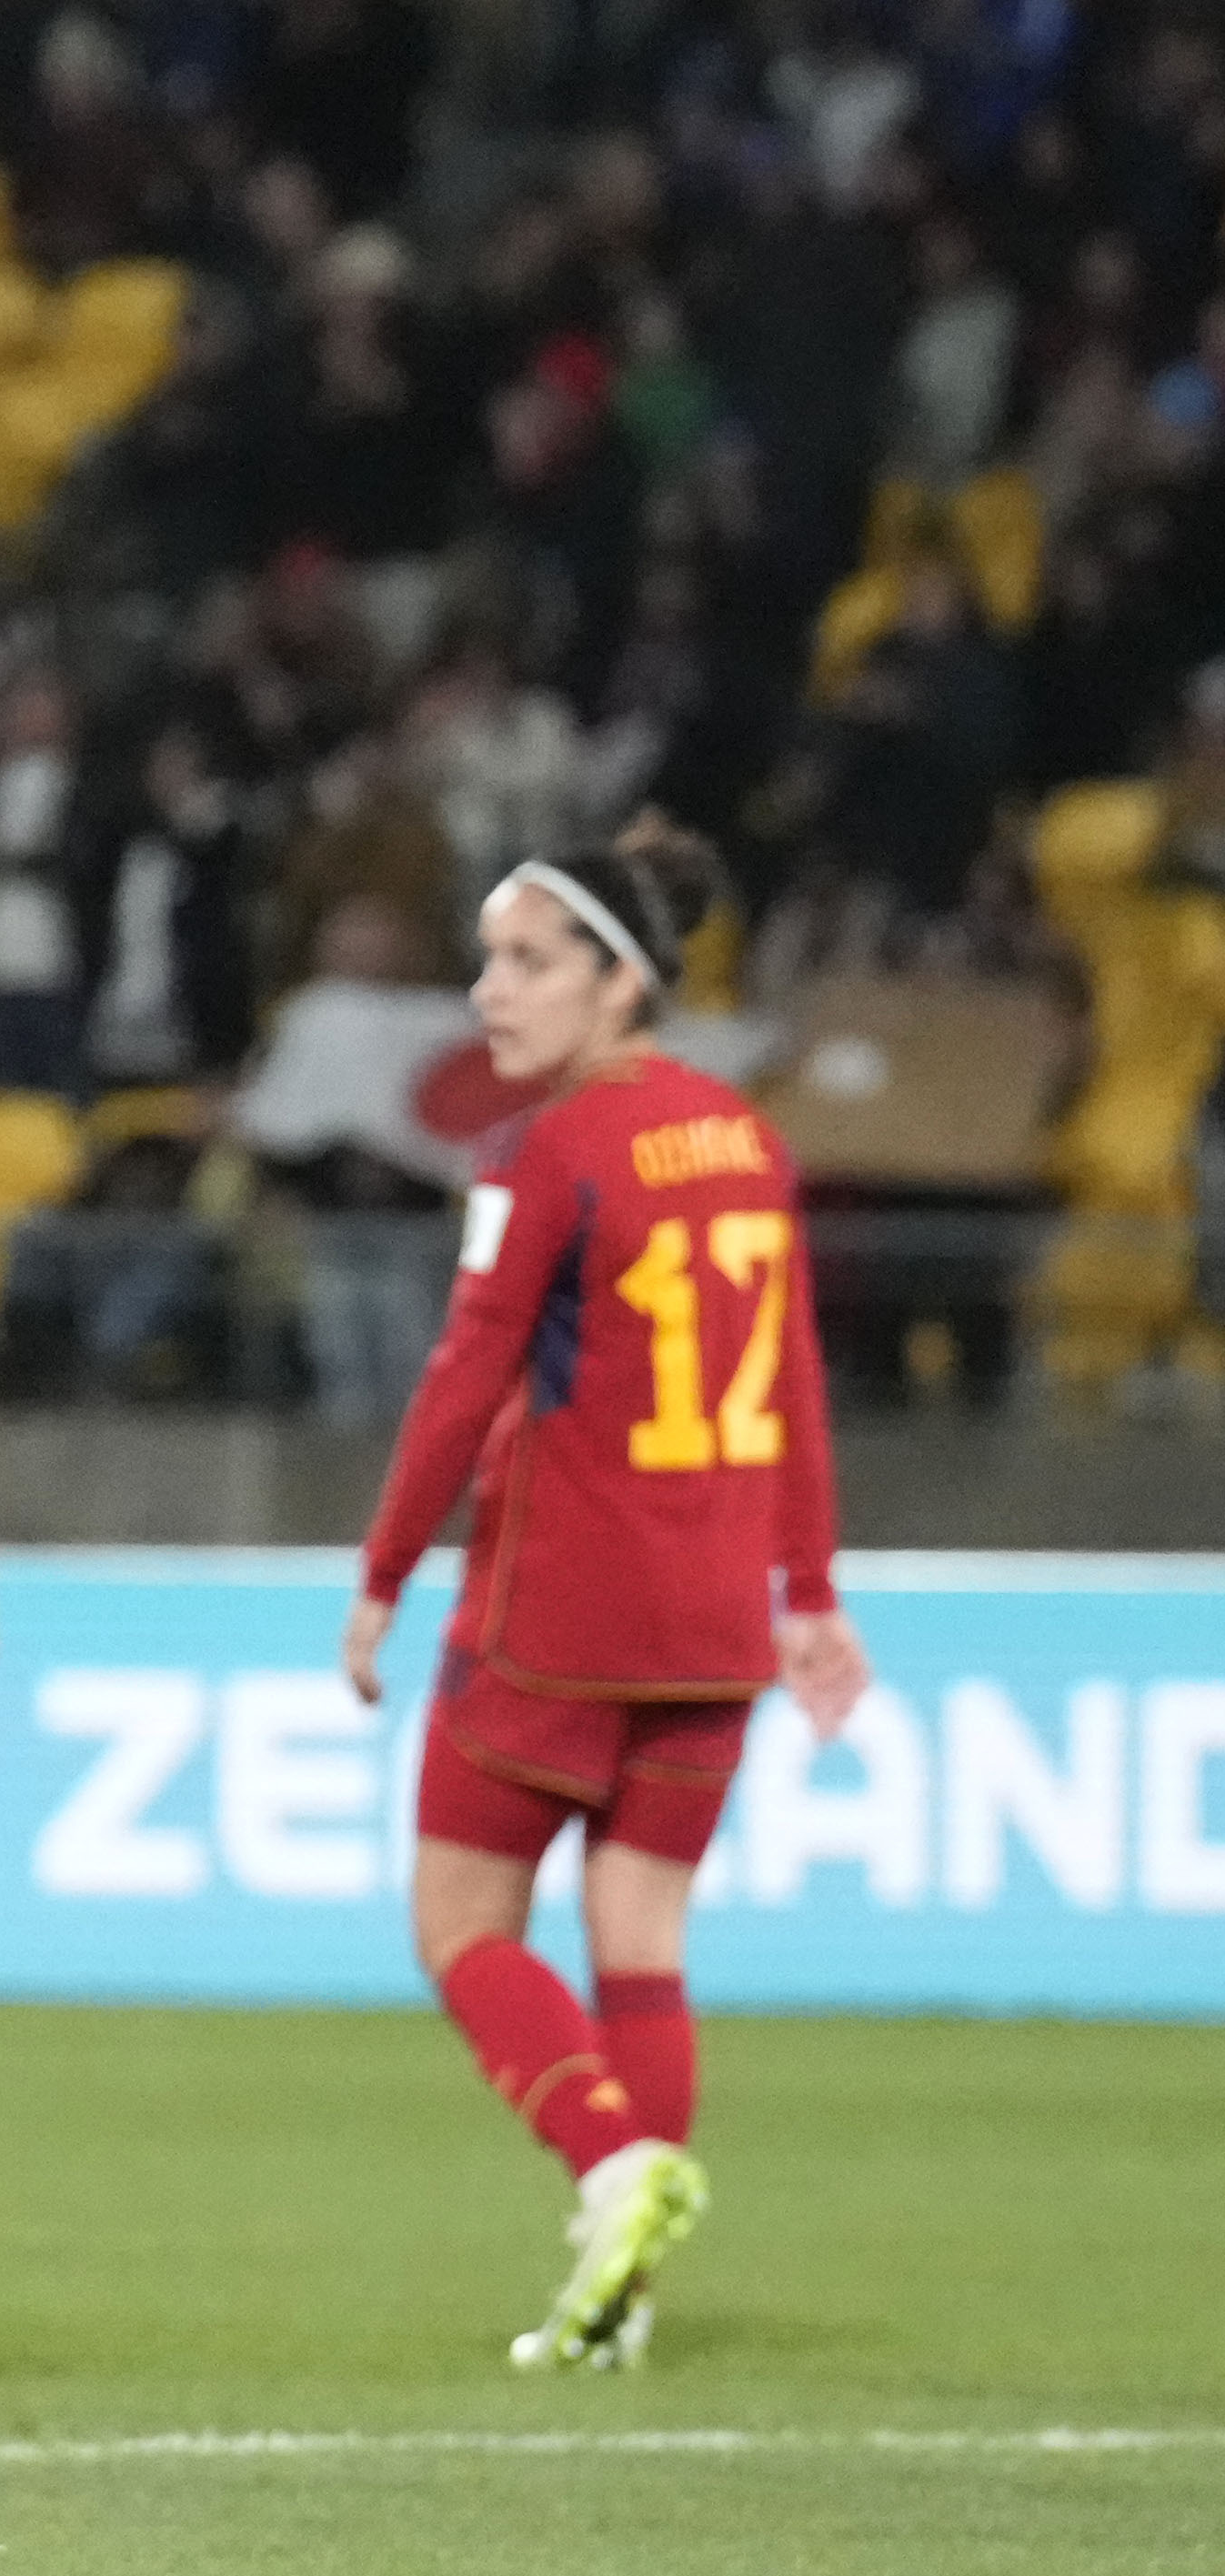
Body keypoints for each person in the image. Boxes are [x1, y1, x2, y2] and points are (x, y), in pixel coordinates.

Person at [338, 820, 865, 2371]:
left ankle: (607, 2164)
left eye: (523, 960)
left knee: (456, 1921)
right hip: (712, 1618)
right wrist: (807, 1584)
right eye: (485, 955)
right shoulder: (746, 1142)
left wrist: (378, 1569)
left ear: (617, 979)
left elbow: (458, 1379)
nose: (484, 989)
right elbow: (792, 1387)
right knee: (637, 1934)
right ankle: (620, 2303)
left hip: (557, 1608)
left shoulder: (547, 1155)